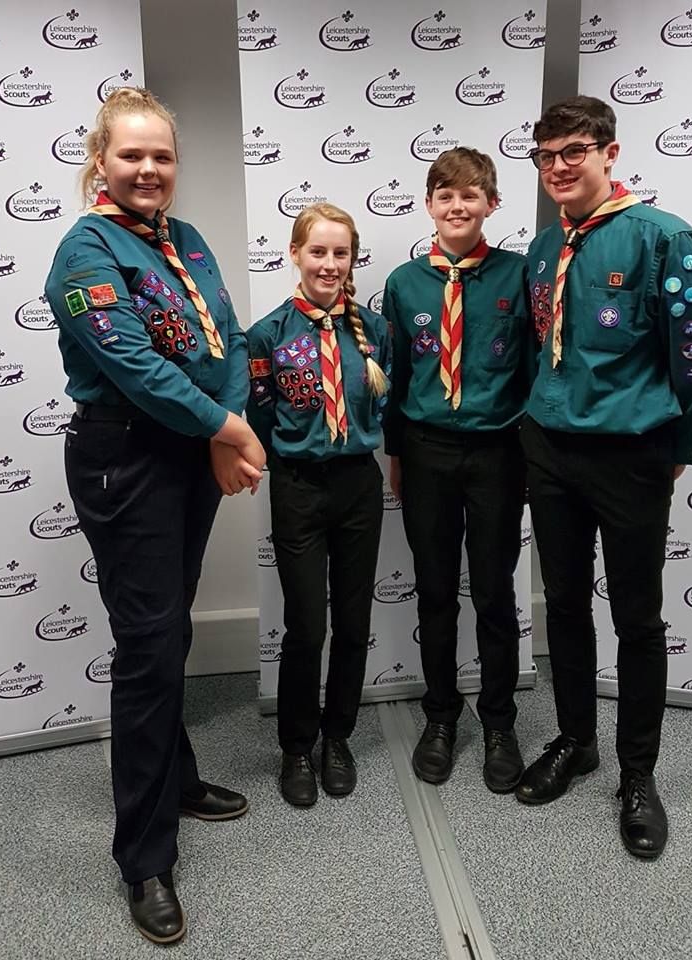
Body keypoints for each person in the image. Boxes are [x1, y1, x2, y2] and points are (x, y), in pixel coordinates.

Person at [45, 87, 266, 944]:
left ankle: (175, 779)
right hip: (127, 457)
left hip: (192, 451)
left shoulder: (188, 241)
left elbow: (230, 340)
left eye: (162, 156)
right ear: (101, 161)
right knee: (147, 647)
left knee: (169, 633)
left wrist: (222, 427)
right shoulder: (85, 252)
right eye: (132, 155)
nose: (148, 170)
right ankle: (144, 857)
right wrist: (230, 427)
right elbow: (133, 365)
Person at [517, 96, 692, 860]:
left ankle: (638, 776)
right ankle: (577, 741)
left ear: (610, 152)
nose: (560, 167)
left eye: (574, 150)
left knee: (637, 619)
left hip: (632, 456)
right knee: (565, 604)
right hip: (550, 450)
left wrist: (678, 447)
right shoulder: (545, 249)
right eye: (546, 156)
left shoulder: (665, 239)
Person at [383, 148, 531, 792]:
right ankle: (441, 715)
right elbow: (391, 377)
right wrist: (395, 452)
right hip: (426, 452)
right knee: (437, 588)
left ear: (491, 204)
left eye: (471, 195)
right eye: (445, 195)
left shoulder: (520, 275)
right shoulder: (404, 283)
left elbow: (534, 365)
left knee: (495, 592)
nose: (457, 206)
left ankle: (499, 721)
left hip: (498, 452)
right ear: (430, 205)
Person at [246, 203, 390, 808]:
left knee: (354, 622)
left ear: (353, 259)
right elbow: (256, 415)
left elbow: (390, 402)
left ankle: (338, 735)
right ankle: (297, 745)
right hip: (299, 488)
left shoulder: (374, 330)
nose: (330, 264)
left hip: (359, 483)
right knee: (308, 623)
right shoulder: (268, 335)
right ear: (295, 255)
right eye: (318, 252)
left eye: (341, 253)